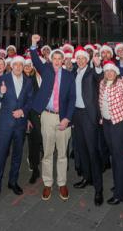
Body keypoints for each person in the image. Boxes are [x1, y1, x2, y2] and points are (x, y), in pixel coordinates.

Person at [28, 34, 76, 202]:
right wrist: (34, 44)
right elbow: (34, 59)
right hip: (47, 117)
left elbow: (72, 99)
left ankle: (62, 183)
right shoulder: (46, 69)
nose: (56, 61)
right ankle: (48, 183)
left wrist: (67, 118)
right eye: (54, 58)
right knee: (47, 153)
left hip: (63, 119)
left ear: (63, 60)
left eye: (59, 58)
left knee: (62, 153)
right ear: (51, 60)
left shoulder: (70, 76)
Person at [0, 55, 34, 202]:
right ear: (12, 66)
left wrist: (23, 111)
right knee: (0, 154)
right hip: (5, 124)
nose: (18, 67)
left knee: (17, 154)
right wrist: (1, 92)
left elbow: (30, 100)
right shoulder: (3, 79)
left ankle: (12, 182)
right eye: (15, 65)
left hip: (20, 124)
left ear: (23, 66)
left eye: (21, 65)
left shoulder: (28, 81)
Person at [72, 48, 105, 207]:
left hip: (88, 115)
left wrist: (98, 66)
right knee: (81, 148)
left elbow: (101, 77)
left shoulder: (92, 72)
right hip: (77, 115)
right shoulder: (74, 72)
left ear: (87, 59)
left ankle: (99, 189)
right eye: (77, 58)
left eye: (83, 58)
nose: (80, 60)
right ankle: (86, 177)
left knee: (92, 151)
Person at [98, 60, 123, 204]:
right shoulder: (102, 83)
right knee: (114, 155)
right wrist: (102, 118)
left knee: (118, 156)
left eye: (112, 71)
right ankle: (120, 184)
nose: (109, 73)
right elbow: (102, 102)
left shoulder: (120, 83)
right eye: (106, 71)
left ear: (116, 72)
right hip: (106, 122)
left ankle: (121, 193)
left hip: (119, 122)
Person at [23, 57, 43, 184]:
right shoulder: (22, 79)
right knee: (33, 142)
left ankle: (44, 164)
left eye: (29, 65)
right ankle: (35, 169)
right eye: (25, 65)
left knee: (42, 140)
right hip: (29, 115)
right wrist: (26, 119)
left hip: (41, 113)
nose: (27, 67)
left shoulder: (39, 77)